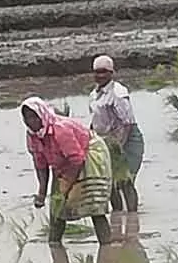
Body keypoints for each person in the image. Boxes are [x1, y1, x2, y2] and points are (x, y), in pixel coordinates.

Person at [21, 96, 113, 244]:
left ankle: (107, 246)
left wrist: (67, 184)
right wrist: (42, 193)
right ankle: (54, 244)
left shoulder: (60, 129)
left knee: (92, 204)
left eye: (34, 117)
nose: (31, 122)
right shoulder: (32, 136)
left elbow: (77, 160)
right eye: (27, 118)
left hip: (89, 152)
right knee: (58, 207)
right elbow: (40, 164)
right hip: (64, 161)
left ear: (41, 115)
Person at [89, 55, 144, 212]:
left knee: (126, 180)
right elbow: (95, 121)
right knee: (110, 182)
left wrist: (118, 147)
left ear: (111, 73)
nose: (99, 75)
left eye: (103, 72)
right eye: (96, 72)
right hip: (105, 140)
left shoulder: (118, 93)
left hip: (127, 139)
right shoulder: (94, 94)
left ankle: (133, 217)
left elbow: (127, 123)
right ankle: (118, 214)